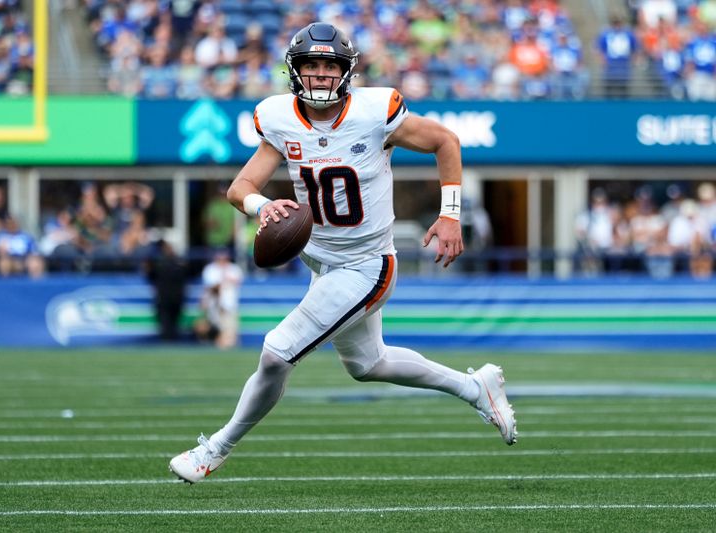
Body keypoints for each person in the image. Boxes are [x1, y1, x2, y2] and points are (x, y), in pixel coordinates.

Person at [169, 22, 517, 484]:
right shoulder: (278, 117)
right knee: (369, 364)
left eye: (328, 65)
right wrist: (262, 205)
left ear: (346, 71)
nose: (318, 75)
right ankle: (476, 388)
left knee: (276, 352)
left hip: (367, 264)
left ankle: (214, 449)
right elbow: (240, 188)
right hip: (321, 261)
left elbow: (444, 141)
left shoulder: (375, 111)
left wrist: (450, 213)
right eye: (310, 65)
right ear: (294, 71)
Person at [193, 249, 244, 349]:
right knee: (210, 329)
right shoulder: (210, 269)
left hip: (229, 305)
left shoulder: (234, 269)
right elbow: (210, 287)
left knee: (230, 335)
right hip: (214, 305)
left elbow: (236, 282)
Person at [145, 239, 188, 341]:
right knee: (165, 324)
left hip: (175, 297)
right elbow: (151, 275)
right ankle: (167, 342)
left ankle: (172, 341)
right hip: (165, 297)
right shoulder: (159, 262)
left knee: (173, 323)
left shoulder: (178, 262)